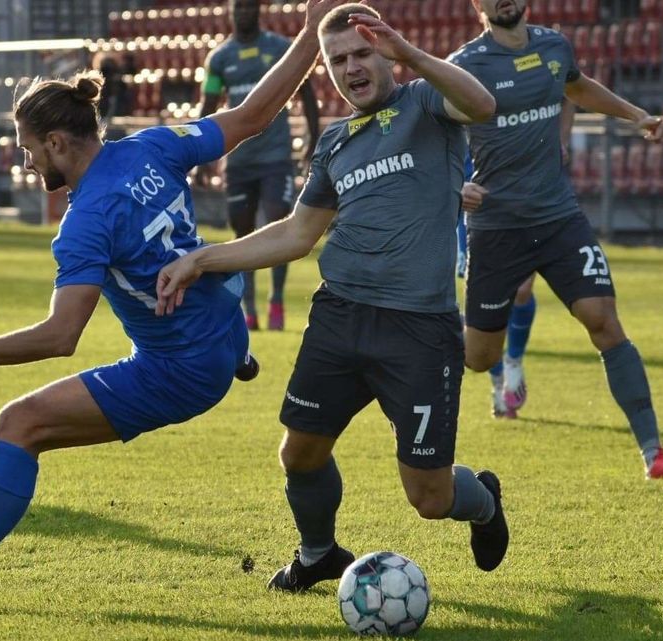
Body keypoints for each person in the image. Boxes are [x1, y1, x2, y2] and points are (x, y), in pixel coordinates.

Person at [0, 0, 351, 614]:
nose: (25, 159)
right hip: (222, 325)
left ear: (57, 141)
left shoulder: (85, 221)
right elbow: (253, 115)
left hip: (180, 369)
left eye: (27, 147)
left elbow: (61, 335)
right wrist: (308, 36)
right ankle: (239, 352)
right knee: (193, 273)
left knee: (20, 424)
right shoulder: (153, 146)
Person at [156, 4, 509, 592]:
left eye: (362, 53)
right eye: (338, 59)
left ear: (385, 53)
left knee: (428, 495)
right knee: (299, 454)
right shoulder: (334, 140)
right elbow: (297, 233)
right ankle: (319, 552)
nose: (352, 67)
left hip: (419, 329)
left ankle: (486, 504)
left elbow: (484, 105)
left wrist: (413, 55)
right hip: (340, 316)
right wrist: (202, 259)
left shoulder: (426, 102)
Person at [452, 0, 663, 479]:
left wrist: (634, 115)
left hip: (558, 217)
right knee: (478, 358)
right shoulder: (465, 66)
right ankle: (480, 356)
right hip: (497, 228)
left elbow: (578, 86)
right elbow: (432, 128)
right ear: (477, 4)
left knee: (603, 320)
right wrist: (453, 186)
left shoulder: (554, 46)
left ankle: (655, 455)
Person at [198, 0, 323, 331]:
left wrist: (313, 138)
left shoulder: (280, 48)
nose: (243, 13)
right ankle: (248, 307)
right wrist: (200, 155)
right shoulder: (219, 59)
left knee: (281, 222)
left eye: (249, 7)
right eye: (238, 8)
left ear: (258, 11)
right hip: (239, 160)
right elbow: (209, 105)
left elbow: (307, 95)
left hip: (276, 158)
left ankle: (277, 301)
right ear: (229, 12)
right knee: (242, 232)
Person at [463, 98, 576, 419]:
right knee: (486, 305)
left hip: (521, 199)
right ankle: (497, 381)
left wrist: (560, 139)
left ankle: (513, 361)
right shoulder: (464, 71)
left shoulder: (527, 66)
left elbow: (569, 91)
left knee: (523, 288)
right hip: (472, 207)